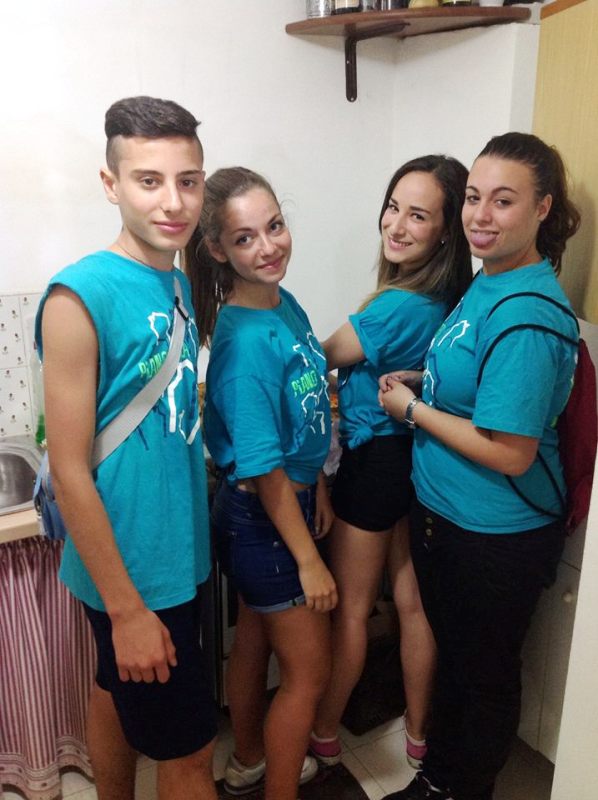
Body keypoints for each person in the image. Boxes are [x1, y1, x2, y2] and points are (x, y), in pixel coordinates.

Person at [378, 132, 581, 800]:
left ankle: (461, 789)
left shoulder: (527, 314)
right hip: (447, 517)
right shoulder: (488, 280)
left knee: (482, 678)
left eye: (503, 200)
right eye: (472, 197)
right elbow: (477, 381)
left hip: (493, 534)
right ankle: (439, 779)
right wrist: (427, 382)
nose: (481, 215)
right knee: (459, 668)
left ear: (542, 208)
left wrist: (413, 410)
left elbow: (510, 451)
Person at [35, 96, 217, 800]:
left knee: (113, 691)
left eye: (188, 181)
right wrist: (128, 611)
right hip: (136, 568)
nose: (173, 202)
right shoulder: (78, 296)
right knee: (192, 755)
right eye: (149, 180)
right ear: (111, 185)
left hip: (173, 546)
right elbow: (69, 469)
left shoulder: (176, 277)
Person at [309, 155, 473, 769]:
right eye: (393, 207)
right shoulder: (446, 301)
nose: (397, 225)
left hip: (375, 461)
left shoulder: (396, 306)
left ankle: (324, 731)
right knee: (411, 603)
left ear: (446, 231)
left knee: (352, 608)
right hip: (416, 455)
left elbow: (320, 355)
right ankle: (419, 734)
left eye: (418, 215)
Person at [186, 166, 337, 800]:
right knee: (308, 676)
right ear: (218, 250)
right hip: (266, 521)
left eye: (274, 226)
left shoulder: (283, 302)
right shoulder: (245, 344)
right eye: (245, 238)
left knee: (251, 641)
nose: (269, 246)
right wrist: (308, 559)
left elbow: (301, 412)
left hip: (277, 510)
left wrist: (317, 480)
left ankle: (249, 760)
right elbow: (263, 468)